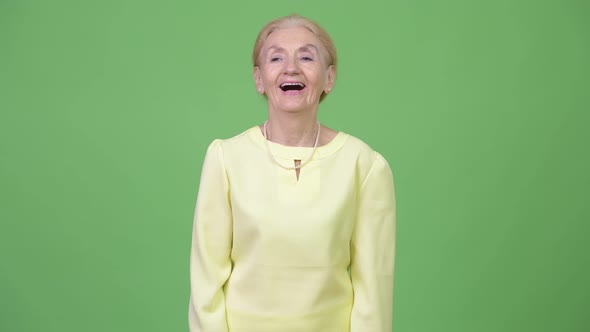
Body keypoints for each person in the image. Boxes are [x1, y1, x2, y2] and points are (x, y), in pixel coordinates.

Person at [188, 14, 396, 332]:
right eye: (276, 58)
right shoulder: (225, 159)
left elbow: (374, 296)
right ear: (259, 78)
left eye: (306, 56)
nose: (291, 68)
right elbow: (206, 287)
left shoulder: (364, 166)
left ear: (329, 77)